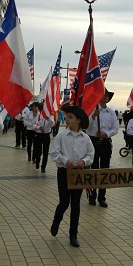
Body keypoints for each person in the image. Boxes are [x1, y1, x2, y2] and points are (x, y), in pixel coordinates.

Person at [50, 105, 94, 248]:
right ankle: (56, 221)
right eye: (67, 117)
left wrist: (84, 162)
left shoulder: (86, 138)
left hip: (78, 174)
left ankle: (73, 234)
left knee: (76, 205)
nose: (67, 120)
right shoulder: (61, 136)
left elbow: (90, 155)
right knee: (64, 202)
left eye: (70, 117)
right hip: (64, 172)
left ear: (78, 121)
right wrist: (65, 161)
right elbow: (54, 153)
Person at [86, 89, 119, 207]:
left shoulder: (111, 112)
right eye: (103, 95)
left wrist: (106, 134)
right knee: (93, 169)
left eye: (107, 96)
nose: (105, 97)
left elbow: (115, 128)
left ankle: (102, 196)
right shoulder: (92, 110)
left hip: (105, 142)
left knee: (105, 169)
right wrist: (93, 117)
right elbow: (86, 126)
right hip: (93, 142)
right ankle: (92, 195)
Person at [33, 104, 55, 173]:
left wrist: (47, 118)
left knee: (45, 152)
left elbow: (52, 124)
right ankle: (37, 162)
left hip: (46, 135)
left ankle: (43, 167)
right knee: (38, 150)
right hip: (39, 135)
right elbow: (33, 125)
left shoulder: (50, 116)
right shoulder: (38, 116)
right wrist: (39, 127)